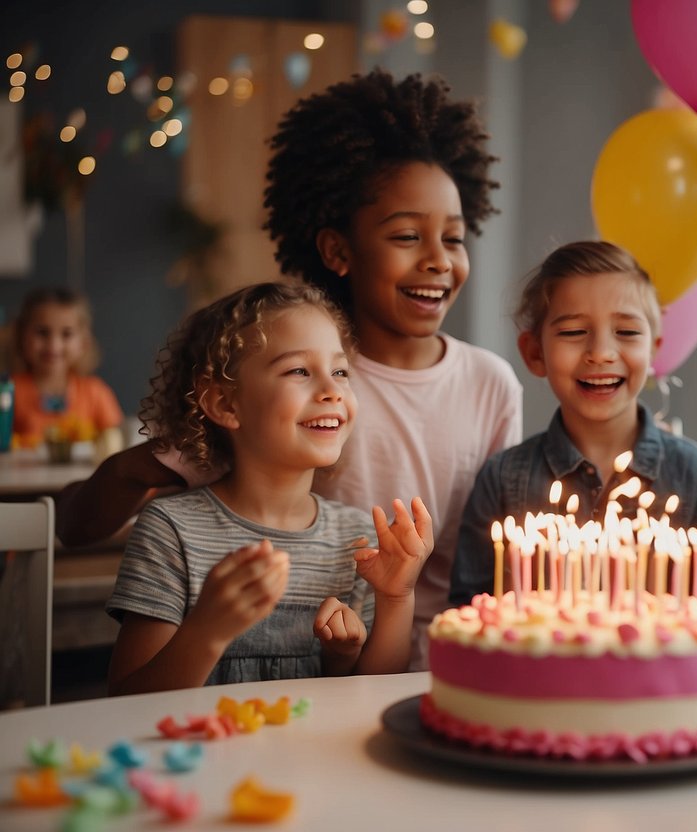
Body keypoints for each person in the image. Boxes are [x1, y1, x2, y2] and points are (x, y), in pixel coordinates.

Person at [59, 71, 523, 669]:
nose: (438, 260)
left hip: (433, 666)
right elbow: (87, 521)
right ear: (337, 251)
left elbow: (495, 563)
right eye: (408, 235)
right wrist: (138, 469)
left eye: (454, 239)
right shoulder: (286, 382)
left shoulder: (491, 384)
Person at [107, 282, 433, 694]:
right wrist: (206, 631)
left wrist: (396, 597)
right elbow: (126, 701)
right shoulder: (171, 531)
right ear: (225, 404)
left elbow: (372, 696)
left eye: (340, 371)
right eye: (299, 370)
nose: (332, 390)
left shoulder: (354, 540)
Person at [449, 240, 697, 612]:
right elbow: (467, 613)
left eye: (626, 332)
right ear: (534, 352)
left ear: (654, 348)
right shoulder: (502, 480)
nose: (601, 352)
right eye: (574, 332)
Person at [9, 287, 123, 449]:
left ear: (84, 342)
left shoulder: (96, 392)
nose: (53, 345)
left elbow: (115, 442)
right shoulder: (9, 392)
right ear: (22, 336)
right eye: (42, 332)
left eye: (67, 334)